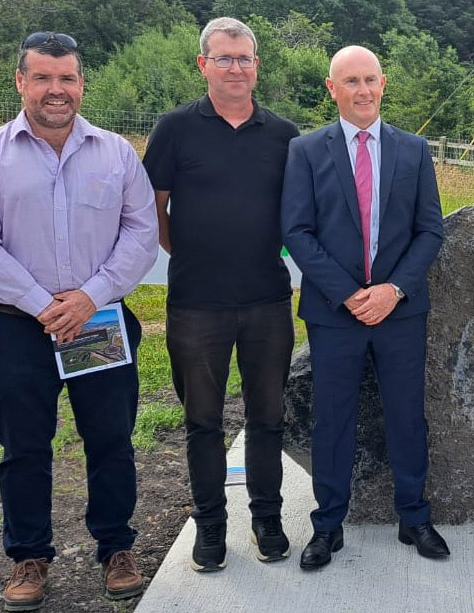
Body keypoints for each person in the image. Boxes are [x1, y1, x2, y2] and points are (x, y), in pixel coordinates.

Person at [0, 31, 157, 610]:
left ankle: (116, 547)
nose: (56, 90)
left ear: (82, 83)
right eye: (43, 77)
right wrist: (45, 305)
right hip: (19, 327)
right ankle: (29, 557)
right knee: (24, 445)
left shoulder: (115, 153)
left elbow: (140, 235)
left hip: (98, 321)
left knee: (111, 440)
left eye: (67, 78)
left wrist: (87, 298)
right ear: (21, 82)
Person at [142, 17, 299, 572]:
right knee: (202, 422)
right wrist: (186, 252)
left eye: (245, 59)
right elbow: (153, 207)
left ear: (257, 66)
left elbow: (297, 215)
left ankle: (268, 519)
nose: (236, 68)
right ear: (203, 64)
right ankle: (210, 528)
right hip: (195, 304)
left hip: (266, 301)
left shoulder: (285, 135)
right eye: (225, 58)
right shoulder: (174, 128)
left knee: (268, 417)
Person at [281, 45, 446, 570]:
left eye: (370, 79)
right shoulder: (306, 151)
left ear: (383, 82)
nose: (362, 90)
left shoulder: (414, 150)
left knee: (406, 417)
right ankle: (328, 526)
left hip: (400, 310)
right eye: (350, 81)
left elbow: (430, 230)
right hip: (335, 312)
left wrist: (392, 290)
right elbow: (297, 231)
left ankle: (414, 518)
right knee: (332, 421)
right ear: (332, 89)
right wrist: (350, 293)